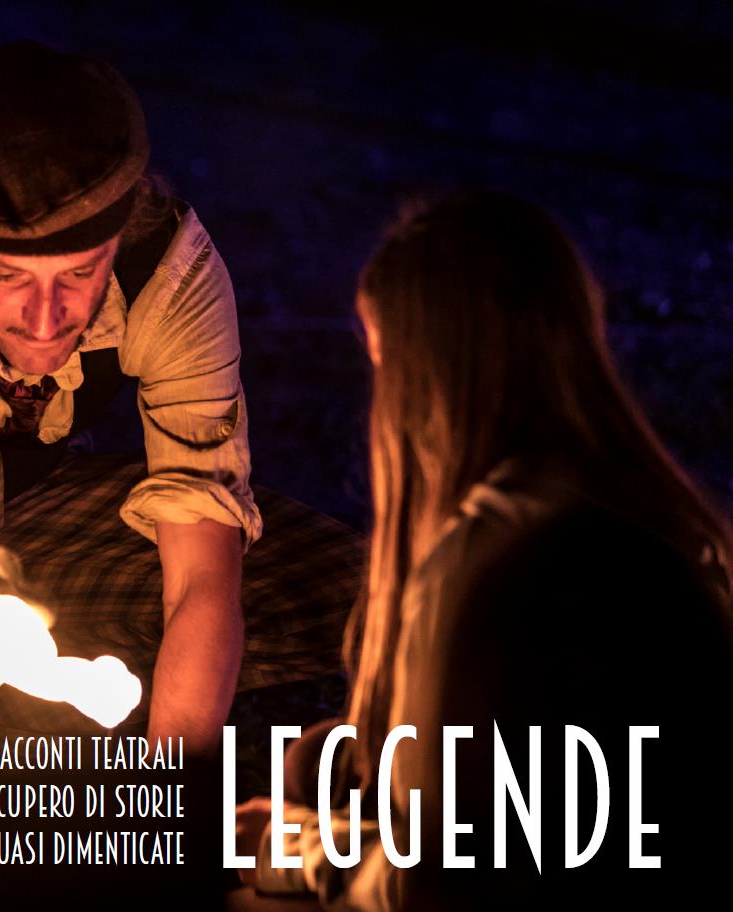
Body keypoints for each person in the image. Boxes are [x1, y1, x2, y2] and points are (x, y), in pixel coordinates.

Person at [0, 41, 362, 751]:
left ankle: (27, 718)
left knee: (363, 599)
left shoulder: (169, 274)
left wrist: (170, 783)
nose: (46, 320)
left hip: (39, 519)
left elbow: (201, 579)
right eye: (10, 278)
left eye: (80, 274)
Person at [235, 191, 733, 908]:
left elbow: (440, 870)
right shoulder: (667, 525)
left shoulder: (491, 559)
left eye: (384, 364)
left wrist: (294, 848)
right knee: (320, 759)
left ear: (423, 374)